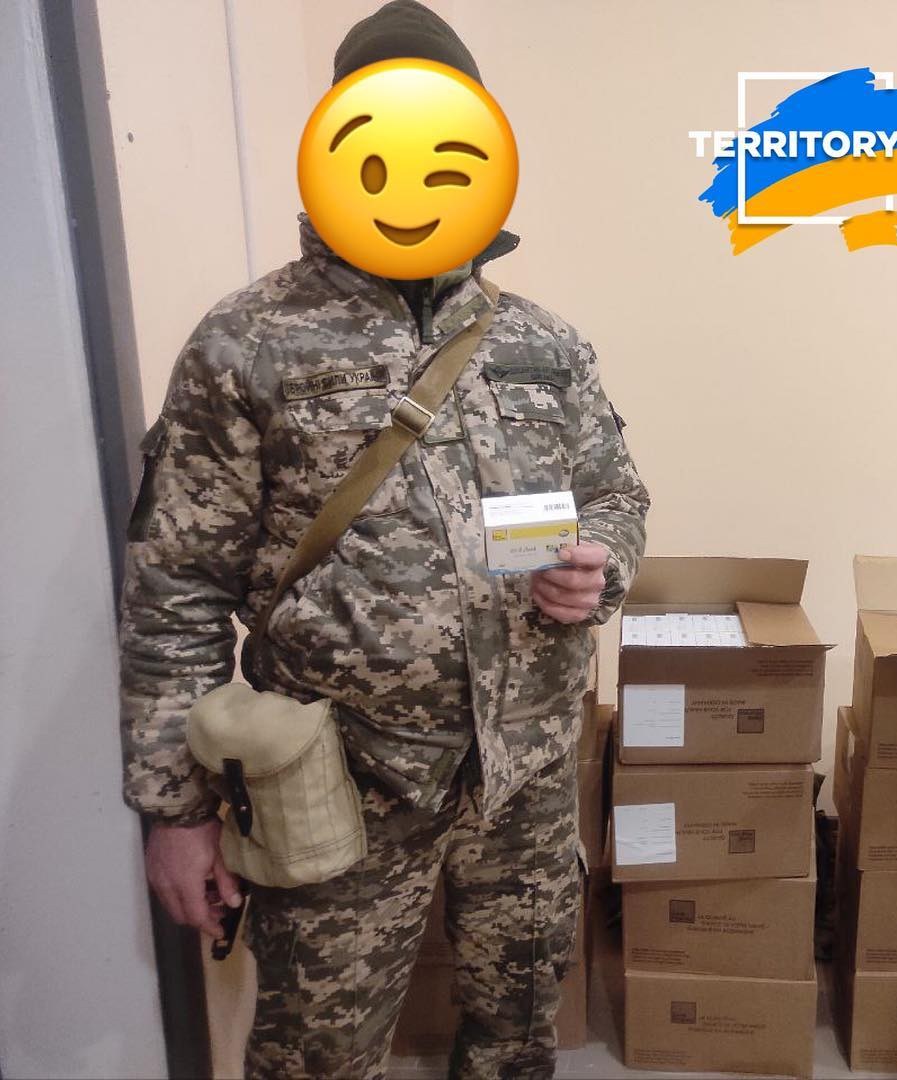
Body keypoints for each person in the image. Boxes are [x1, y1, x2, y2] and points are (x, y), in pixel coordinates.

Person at [117, 3, 649, 1076]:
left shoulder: (543, 344)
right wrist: (174, 811)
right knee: (318, 1057)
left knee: (517, 1041)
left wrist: (600, 568)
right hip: (339, 785)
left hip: (526, 776)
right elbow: (176, 590)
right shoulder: (246, 343)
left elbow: (616, 496)